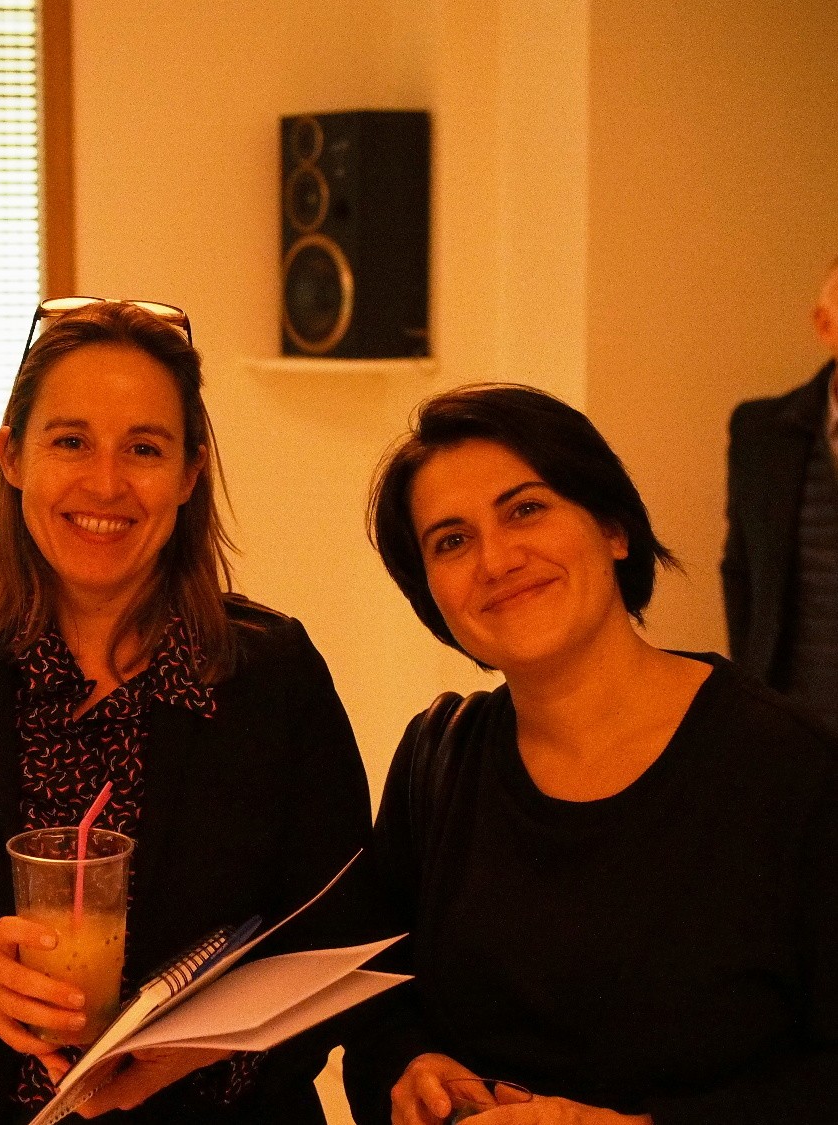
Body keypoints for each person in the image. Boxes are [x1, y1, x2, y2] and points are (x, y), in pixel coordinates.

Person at [0, 298, 372, 1124]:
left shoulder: (273, 676)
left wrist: (200, 1053)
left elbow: (341, 933)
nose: (106, 483)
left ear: (189, 473)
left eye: (143, 448)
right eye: (71, 441)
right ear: (13, 455)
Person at [344, 383, 838, 1125]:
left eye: (525, 509)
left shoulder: (790, 770)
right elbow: (375, 1008)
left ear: (613, 528)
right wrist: (411, 1069)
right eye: (452, 540)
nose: (497, 559)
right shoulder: (436, 761)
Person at [722, 257, 838, 731]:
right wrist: (753, 687)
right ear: (825, 325)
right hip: (796, 723)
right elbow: (741, 568)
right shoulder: (762, 433)